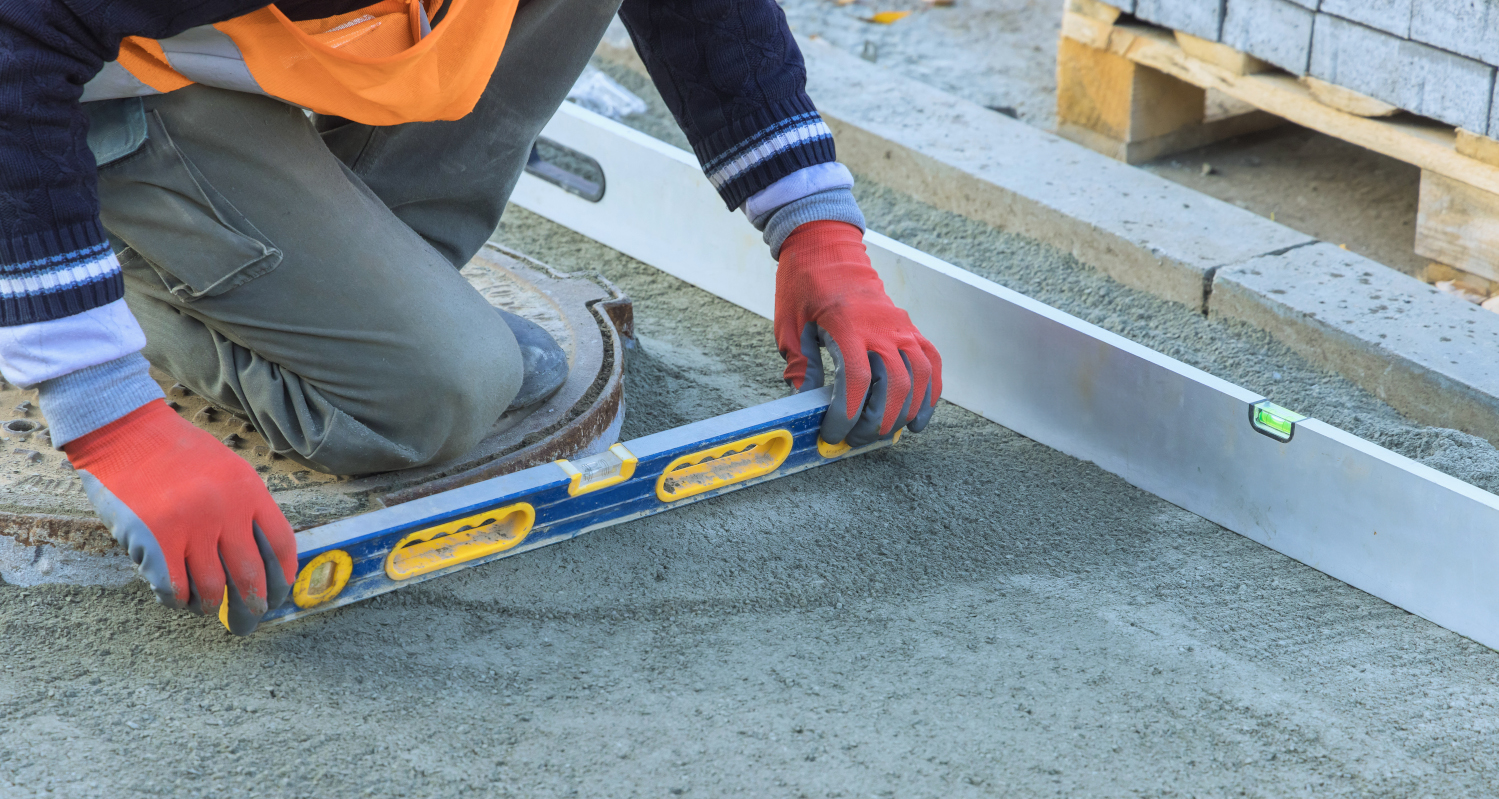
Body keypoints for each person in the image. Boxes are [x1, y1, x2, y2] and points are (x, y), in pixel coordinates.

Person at [0, 0, 944, 634]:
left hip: (270, 36)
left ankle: (331, 254)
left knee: (433, 341)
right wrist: (111, 418)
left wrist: (816, 229)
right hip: (90, 84)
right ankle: (100, 256)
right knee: (433, 395)